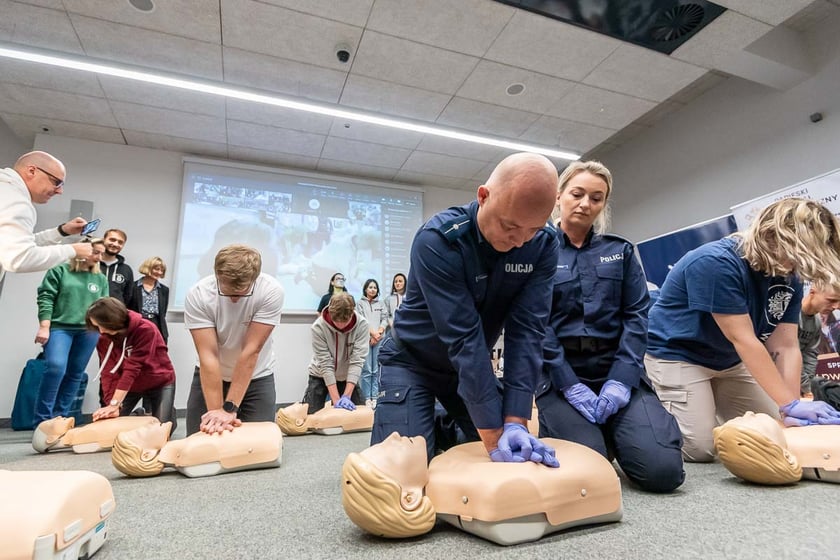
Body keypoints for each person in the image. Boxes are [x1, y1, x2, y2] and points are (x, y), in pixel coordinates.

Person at [371, 152, 561, 466]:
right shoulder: (439, 241)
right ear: (483, 196)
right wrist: (491, 438)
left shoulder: (542, 244)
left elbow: (527, 332)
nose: (519, 241)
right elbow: (464, 340)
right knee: (402, 473)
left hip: (467, 370)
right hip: (412, 360)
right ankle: (425, 418)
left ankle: (441, 425)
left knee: (507, 445)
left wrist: (515, 420)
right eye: (510, 226)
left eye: (532, 230)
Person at [645, 198, 840, 463]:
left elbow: (785, 346)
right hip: (679, 354)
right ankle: (648, 407)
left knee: (774, 432)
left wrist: (790, 407)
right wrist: (788, 403)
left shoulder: (788, 276)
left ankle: (702, 404)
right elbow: (744, 340)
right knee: (699, 448)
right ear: (774, 235)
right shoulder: (716, 262)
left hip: (729, 360)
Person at [536, 161, 684, 493]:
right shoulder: (537, 250)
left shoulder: (619, 251)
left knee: (664, 473)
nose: (585, 203)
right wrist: (569, 384)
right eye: (577, 194)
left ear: (604, 204)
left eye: (596, 197)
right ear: (559, 196)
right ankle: (594, 436)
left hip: (617, 372)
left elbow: (636, 317)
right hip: (562, 377)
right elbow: (535, 323)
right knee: (591, 473)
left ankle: (622, 432)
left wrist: (621, 381)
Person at [342, 433, 622, 544]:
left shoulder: (446, 461)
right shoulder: (449, 471)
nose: (392, 437)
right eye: (388, 451)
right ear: (411, 498)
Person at [184, 244, 285, 435]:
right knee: (201, 442)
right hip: (211, 373)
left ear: (254, 280)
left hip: (257, 376)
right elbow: (208, 354)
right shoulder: (199, 294)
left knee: (259, 448)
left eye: (241, 293)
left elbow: (251, 350)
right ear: (217, 276)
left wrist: (229, 408)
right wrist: (216, 412)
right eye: (228, 293)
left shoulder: (271, 291)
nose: (234, 300)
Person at [33, 238, 108, 425]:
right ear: (81, 251)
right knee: (56, 368)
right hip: (60, 328)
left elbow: (104, 306)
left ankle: (61, 418)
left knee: (75, 373)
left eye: (101, 253)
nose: (99, 258)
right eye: (95, 252)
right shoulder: (59, 271)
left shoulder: (100, 278)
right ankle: (42, 421)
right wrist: (44, 326)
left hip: (88, 331)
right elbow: (46, 297)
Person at [0, 151, 92, 297]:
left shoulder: (5, 190)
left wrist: (61, 231)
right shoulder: (17, 202)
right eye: (56, 182)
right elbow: (18, 259)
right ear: (32, 171)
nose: (60, 191)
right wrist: (73, 250)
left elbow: (11, 245)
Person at [85, 297, 177, 426]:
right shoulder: (104, 338)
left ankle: (167, 415)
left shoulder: (146, 329)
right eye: (97, 327)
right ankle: (138, 415)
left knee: (163, 427)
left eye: (102, 325)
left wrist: (115, 404)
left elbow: (132, 368)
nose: (101, 331)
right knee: (110, 422)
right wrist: (111, 404)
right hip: (131, 386)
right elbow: (108, 371)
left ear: (112, 320)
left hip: (159, 381)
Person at [111, 421, 283, 478]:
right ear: (147, 455)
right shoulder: (190, 451)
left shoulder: (188, 445)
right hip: (271, 438)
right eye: (142, 432)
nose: (147, 424)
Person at [713, 411, 840, 485]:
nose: (749, 412)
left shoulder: (783, 436)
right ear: (787, 457)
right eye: (752, 419)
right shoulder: (814, 447)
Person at [302, 292, 368, 414]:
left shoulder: (362, 325)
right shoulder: (318, 327)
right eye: (336, 321)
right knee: (310, 417)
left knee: (361, 415)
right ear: (331, 313)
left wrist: (346, 396)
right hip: (320, 375)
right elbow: (325, 364)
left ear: (352, 313)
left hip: (346, 375)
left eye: (345, 321)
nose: (341, 326)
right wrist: (337, 400)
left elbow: (357, 361)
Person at [32, 414, 159, 453]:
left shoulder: (81, 432)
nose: (58, 417)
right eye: (51, 423)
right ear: (51, 439)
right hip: (150, 427)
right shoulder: (80, 438)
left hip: (152, 426)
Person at [798, 284, 840, 395]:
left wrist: (808, 387)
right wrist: (806, 386)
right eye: (831, 300)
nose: (835, 306)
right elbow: (786, 355)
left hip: (797, 380)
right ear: (812, 292)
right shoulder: (791, 315)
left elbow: (811, 354)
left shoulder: (816, 322)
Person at [356, 278, 387, 407]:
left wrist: (378, 333)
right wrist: (372, 334)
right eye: (370, 287)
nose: (372, 289)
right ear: (365, 289)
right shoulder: (359, 303)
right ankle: (366, 398)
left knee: (376, 370)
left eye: (375, 287)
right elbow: (361, 320)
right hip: (365, 339)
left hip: (378, 339)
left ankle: (375, 396)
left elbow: (385, 319)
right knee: (366, 370)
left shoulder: (381, 304)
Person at [129, 256, 170, 343]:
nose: (159, 272)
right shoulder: (132, 287)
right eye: (156, 269)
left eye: (161, 270)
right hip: (138, 324)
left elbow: (163, 312)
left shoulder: (164, 290)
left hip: (157, 326)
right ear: (148, 268)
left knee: (158, 354)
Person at [275, 401, 373, 436]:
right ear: (299, 422)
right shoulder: (323, 420)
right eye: (294, 408)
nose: (296, 403)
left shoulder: (319, 416)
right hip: (369, 414)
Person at [99, 228, 134, 307]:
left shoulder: (126, 270)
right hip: (89, 314)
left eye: (120, 242)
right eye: (112, 240)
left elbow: (128, 296)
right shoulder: (91, 264)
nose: (115, 244)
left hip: (115, 315)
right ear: (103, 240)